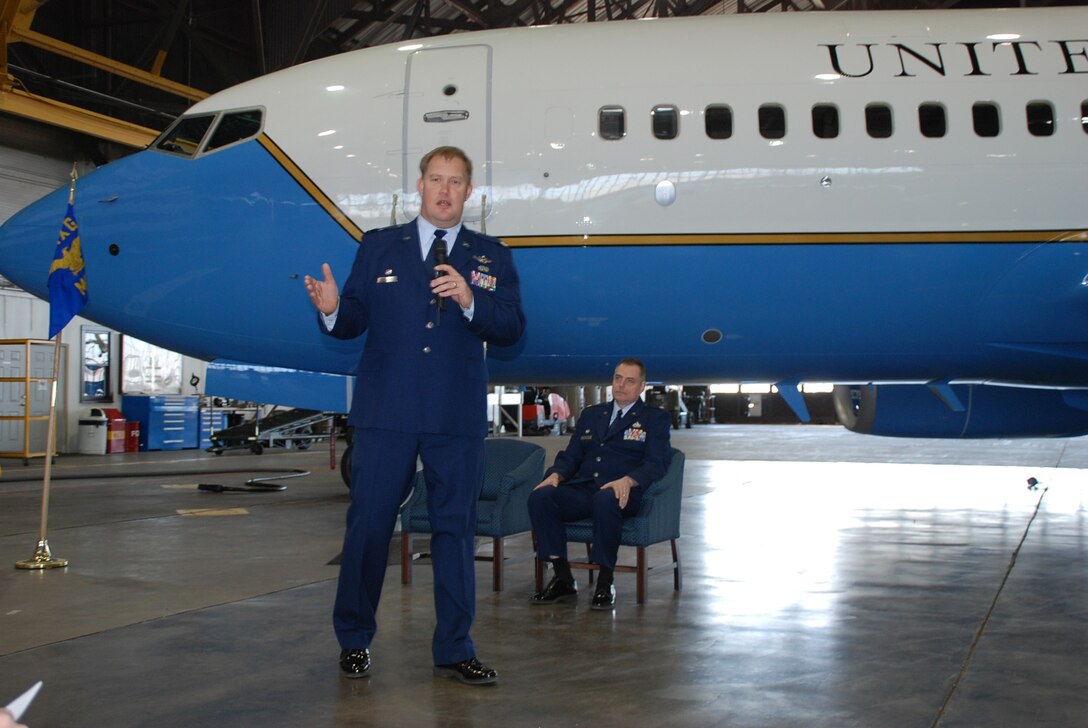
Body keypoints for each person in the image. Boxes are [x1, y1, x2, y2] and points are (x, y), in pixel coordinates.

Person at [304, 146, 525, 685]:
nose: (444, 190)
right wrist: (333, 309)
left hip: (455, 414)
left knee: (455, 530)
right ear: (419, 187)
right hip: (388, 412)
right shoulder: (379, 247)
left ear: (469, 194)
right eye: (435, 179)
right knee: (370, 525)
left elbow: (512, 326)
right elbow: (354, 317)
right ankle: (354, 639)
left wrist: (472, 301)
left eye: (455, 182)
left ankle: (455, 646)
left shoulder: (491, 256)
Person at [528, 358, 672, 609]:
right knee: (541, 496)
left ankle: (605, 581)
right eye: (618, 378)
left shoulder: (653, 419)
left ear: (642, 386)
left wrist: (629, 480)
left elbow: (656, 462)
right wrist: (556, 475)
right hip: (584, 489)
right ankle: (563, 577)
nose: (621, 385)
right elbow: (571, 456)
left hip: (623, 493)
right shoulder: (593, 414)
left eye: (630, 381)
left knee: (605, 499)